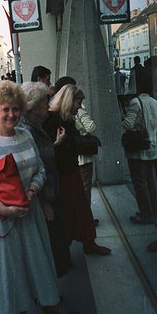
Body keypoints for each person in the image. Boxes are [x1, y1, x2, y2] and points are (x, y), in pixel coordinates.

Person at [0, 80, 78, 314]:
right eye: (5, 109)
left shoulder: (26, 136)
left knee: (38, 263)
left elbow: (40, 170)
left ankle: (51, 305)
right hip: (3, 221)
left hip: (30, 213)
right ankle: (17, 311)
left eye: (15, 108)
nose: (11, 114)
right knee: (11, 271)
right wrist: (3, 209)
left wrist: (31, 192)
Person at [44, 84, 111, 255]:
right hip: (62, 175)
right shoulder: (52, 120)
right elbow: (47, 151)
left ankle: (86, 244)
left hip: (69, 171)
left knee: (78, 210)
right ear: (69, 101)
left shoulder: (63, 118)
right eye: (78, 103)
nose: (80, 107)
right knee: (73, 211)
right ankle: (81, 246)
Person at [20, 82, 72, 278]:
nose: (47, 108)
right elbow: (32, 171)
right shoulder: (28, 130)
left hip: (48, 196)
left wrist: (55, 145)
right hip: (44, 200)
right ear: (32, 108)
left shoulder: (34, 126)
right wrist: (45, 203)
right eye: (44, 104)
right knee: (52, 248)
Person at [122, 73, 157, 224]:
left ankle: (145, 214)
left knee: (140, 182)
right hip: (153, 147)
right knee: (151, 180)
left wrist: (125, 118)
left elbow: (127, 125)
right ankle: (153, 211)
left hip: (138, 149)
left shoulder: (136, 102)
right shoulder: (155, 102)